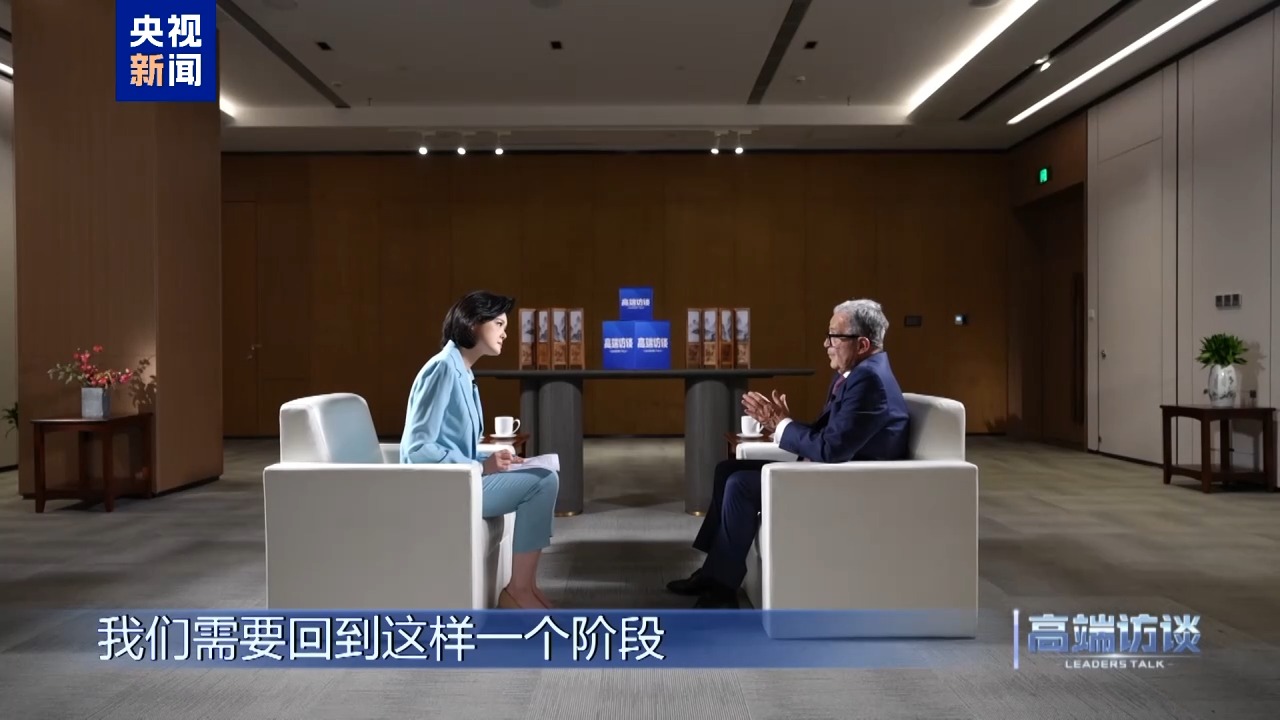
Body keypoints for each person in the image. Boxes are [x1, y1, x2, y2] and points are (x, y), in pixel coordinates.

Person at [668, 298, 910, 608]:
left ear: (862, 344)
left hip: (849, 483)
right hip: (836, 468)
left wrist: (782, 425)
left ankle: (721, 589)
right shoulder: (857, 373)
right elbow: (835, 436)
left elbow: (831, 449)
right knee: (727, 470)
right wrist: (785, 424)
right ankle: (714, 571)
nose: (826, 344)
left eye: (834, 336)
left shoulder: (869, 380)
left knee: (740, 485)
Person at [400, 290, 559, 610]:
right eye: (498, 324)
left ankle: (526, 587)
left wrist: (491, 459)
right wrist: (482, 467)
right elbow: (418, 448)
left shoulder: (462, 370)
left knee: (544, 475)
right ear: (473, 324)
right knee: (542, 482)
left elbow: (452, 444)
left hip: (460, 480)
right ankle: (519, 591)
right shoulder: (443, 369)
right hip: (441, 487)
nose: (505, 333)